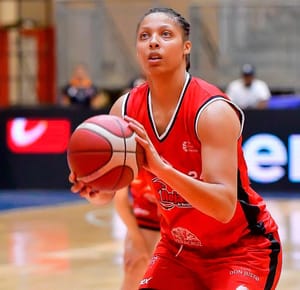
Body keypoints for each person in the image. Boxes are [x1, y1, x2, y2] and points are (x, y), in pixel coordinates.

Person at [70, 7, 282, 290]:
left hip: (242, 250)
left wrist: (161, 168)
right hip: (179, 251)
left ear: (186, 48)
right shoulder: (124, 111)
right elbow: (113, 194)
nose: (153, 42)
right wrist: (96, 189)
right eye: (144, 36)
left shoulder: (212, 111)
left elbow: (223, 207)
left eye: (165, 35)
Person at [114, 171, 160, 290]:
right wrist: (137, 241)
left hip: (181, 214)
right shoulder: (127, 154)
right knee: (136, 265)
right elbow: (120, 201)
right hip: (146, 213)